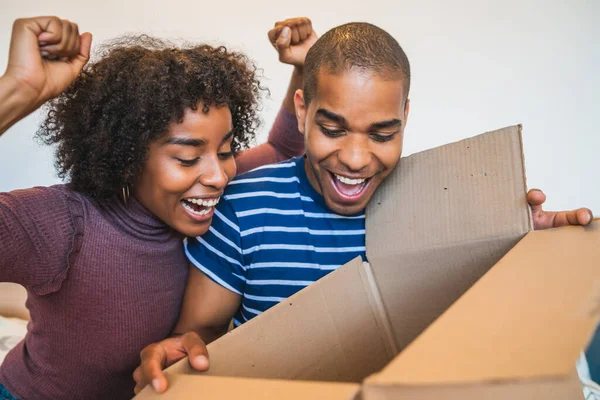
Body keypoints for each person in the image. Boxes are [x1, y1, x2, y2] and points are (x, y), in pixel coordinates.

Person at [134, 21, 594, 394]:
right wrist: (184, 353)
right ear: (301, 110)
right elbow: (203, 333)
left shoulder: (440, 201)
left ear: (405, 118)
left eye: (381, 134)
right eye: (333, 129)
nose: (355, 159)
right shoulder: (242, 205)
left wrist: (514, 239)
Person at [0, 15, 316, 400]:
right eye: (186, 158)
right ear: (128, 156)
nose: (218, 176)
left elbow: (283, 149)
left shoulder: (217, 192)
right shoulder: (63, 223)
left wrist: (304, 67)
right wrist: (18, 89)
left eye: (226, 150)